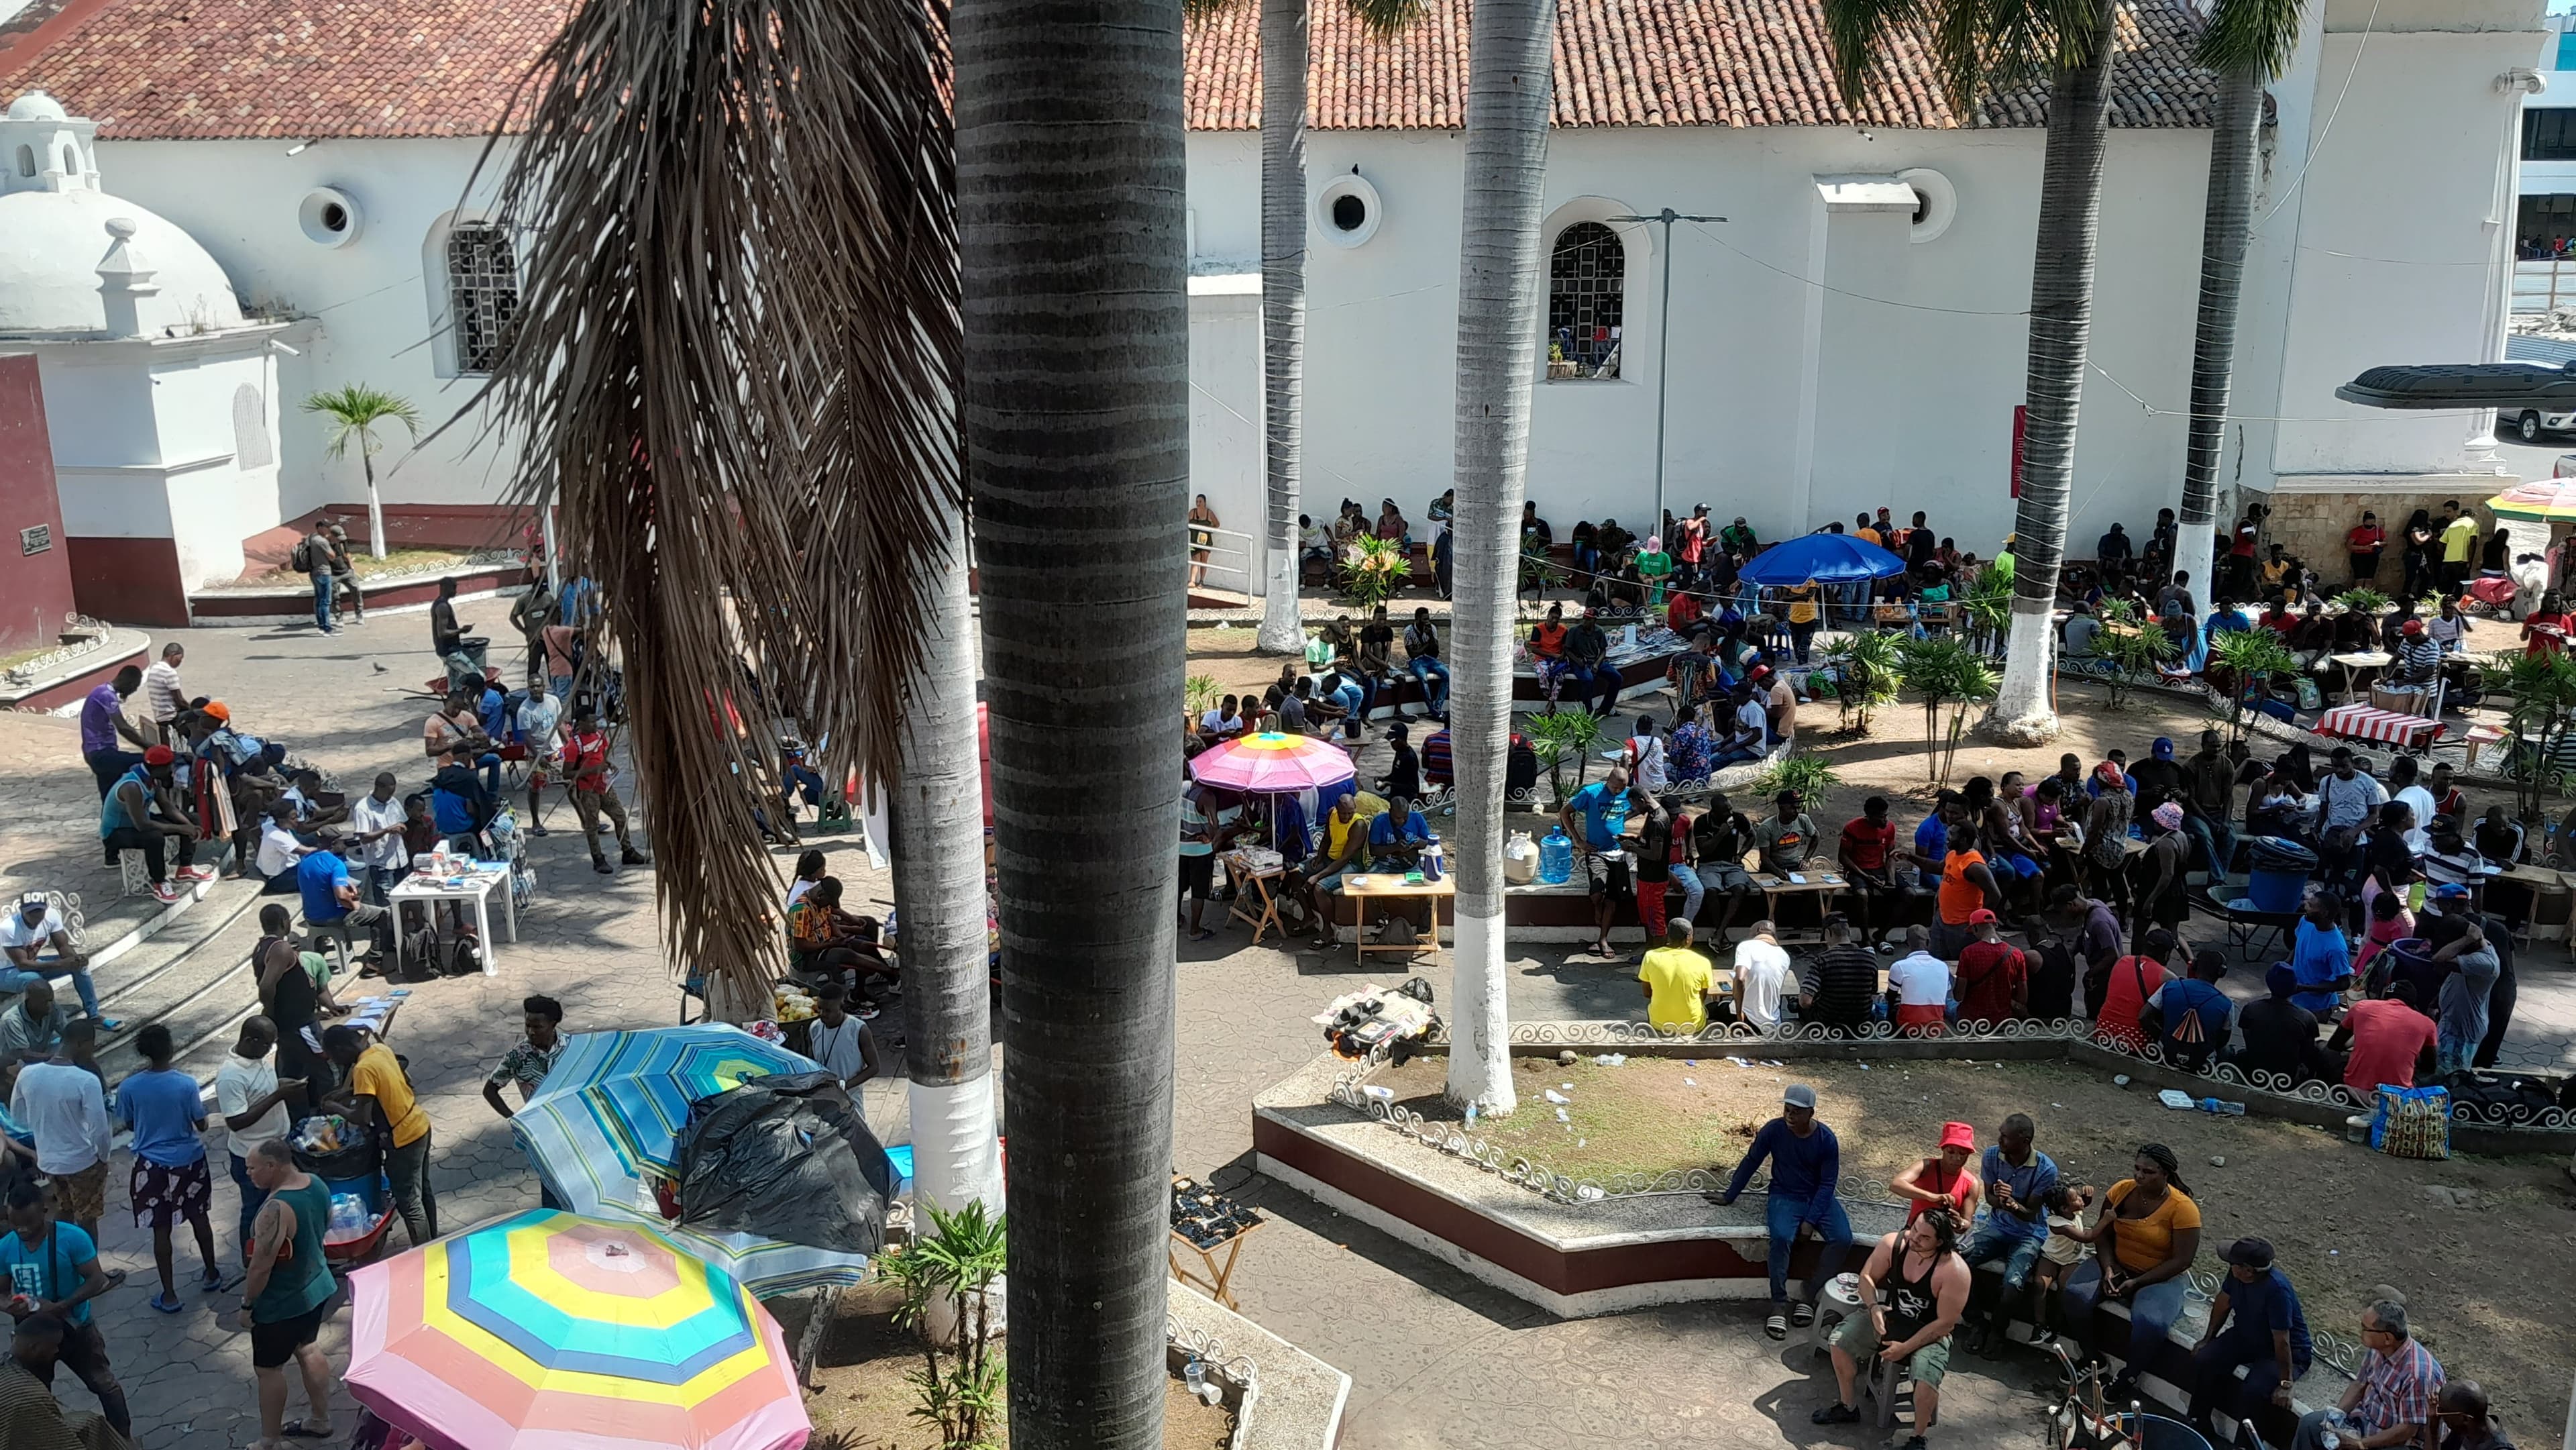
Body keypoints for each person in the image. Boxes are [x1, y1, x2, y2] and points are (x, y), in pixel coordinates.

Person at [1812, 1209, 1970, 1450]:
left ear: (1940, 1241)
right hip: (1890, 1316)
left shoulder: (1954, 1271)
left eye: (1924, 1237)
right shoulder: (1893, 1244)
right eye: (1914, 1229)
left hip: (1930, 1333)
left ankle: (1918, 1437)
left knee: (1926, 1377)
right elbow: (1866, 1277)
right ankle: (1847, 1406)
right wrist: (1874, 1307)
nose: (1914, 1238)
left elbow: (1945, 1323)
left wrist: (1905, 1348)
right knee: (1839, 1342)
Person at [2061, 1144, 2202, 1404]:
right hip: (2117, 1262)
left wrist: (2137, 1282)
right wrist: (2109, 1269)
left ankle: (2129, 1375)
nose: (2139, 1176)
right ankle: (2092, 1357)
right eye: (2137, 1169)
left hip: (2159, 1275)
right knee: (2075, 1295)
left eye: (2148, 1172)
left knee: (2150, 1323)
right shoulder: (2121, 1191)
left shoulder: (2183, 1209)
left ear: (2165, 1174)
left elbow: (2183, 1260)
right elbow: (2102, 1234)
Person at [1713, 1084, 1850, 1341]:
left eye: (1797, 1112)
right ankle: (1779, 1302)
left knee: (1842, 1239)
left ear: (1811, 1113)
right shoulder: (1774, 1130)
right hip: (1785, 1194)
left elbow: (1828, 1184)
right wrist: (1729, 1195)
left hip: (1818, 1197)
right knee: (1781, 1238)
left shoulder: (1826, 1140)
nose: (1790, 1116)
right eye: (1787, 1110)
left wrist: (1810, 1220)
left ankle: (1809, 1294)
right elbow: (1752, 1160)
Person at [0, 1180, 127, 1441]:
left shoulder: (72, 1238)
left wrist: (60, 1306)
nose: (22, 1230)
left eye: (28, 1223)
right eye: (15, 1224)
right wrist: (9, 1305)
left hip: (76, 1327)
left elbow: (97, 1280)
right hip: (33, 1336)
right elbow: (1, 1292)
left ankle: (124, 1439)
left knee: (104, 1384)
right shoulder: (5, 1247)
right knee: (36, 1397)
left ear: (45, 1211)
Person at [111, 1023, 220, 1312]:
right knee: (200, 1217)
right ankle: (211, 1273)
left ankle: (169, 1295)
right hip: (190, 1160)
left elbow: (131, 1123)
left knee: (161, 1230)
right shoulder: (185, 1084)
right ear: (170, 1048)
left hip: (151, 1165)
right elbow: (201, 1123)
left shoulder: (129, 1087)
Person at [239, 1138, 339, 1449]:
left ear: (272, 1166)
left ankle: (270, 1440)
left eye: (252, 1168)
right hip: (317, 1287)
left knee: (268, 1371)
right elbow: (328, 1222)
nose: (249, 1175)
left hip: (281, 1302)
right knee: (308, 1348)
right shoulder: (317, 1183)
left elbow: (260, 1267)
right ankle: (320, 1420)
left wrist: (247, 1304)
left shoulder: (275, 1208)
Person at [2187, 1237, 2312, 1443]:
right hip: (2248, 1335)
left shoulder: (2277, 1291)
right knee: (2205, 1360)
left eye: (2233, 1263)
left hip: (2281, 1352)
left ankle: (2245, 1446)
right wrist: (2208, 1339)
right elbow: (2223, 1302)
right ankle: (2198, 1421)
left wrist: (2286, 1384)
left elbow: (2282, 1341)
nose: (2230, 1266)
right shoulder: (2236, 1274)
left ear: (2248, 1271)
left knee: (2253, 1391)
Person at [321, 1024, 435, 1247]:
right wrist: (345, 1093)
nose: (335, 1062)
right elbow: (380, 1083)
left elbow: (361, 1116)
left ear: (341, 1049)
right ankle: (436, 1239)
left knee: (409, 1202)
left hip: (403, 1140)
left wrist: (335, 1107)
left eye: (333, 1057)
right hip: (419, 1124)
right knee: (424, 1190)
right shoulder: (379, 1051)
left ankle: (426, 1252)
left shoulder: (362, 1069)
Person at [1959, 1113, 2058, 1355]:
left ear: (2024, 1141)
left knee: (2014, 1284)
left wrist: (2013, 1203)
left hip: (2029, 1234)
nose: (1999, 1140)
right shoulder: (1993, 1156)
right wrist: (2003, 1201)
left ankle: (1997, 1331)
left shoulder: (2045, 1169)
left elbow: (2031, 1213)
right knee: (1956, 1262)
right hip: (1997, 1227)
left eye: (2006, 1137)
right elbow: (1991, 1198)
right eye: (2001, 1134)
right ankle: (1977, 1322)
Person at [2287, 1302, 2441, 1450]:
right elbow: (2359, 1384)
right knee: (2310, 1425)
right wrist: (2334, 1418)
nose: (2360, 1332)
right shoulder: (2378, 1349)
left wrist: (2362, 1444)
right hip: (2366, 1421)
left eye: (2365, 1328)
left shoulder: (2418, 1375)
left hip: (2398, 1441)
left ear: (2387, 1338)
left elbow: (2408, 1429)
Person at [11, 1022, 109, 1242]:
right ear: (82, 1044)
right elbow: (100, 1130)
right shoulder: (86, 1080)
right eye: (91, 1046)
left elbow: (18, 1117)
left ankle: (60, 1261)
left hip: (49, 1160)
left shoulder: (27, 1074)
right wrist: (102, 1157)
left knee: (64, 1209)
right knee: (87, 1218)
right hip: (82, 1161)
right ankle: (90, 1272)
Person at [217, 1017, 299, 1267]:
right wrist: (278, 1096)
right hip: (252, 1156)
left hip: (277, 1146)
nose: (269, 1049)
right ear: (250, 1041)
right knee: (254, 1210)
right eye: (267, 1044)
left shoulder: (258, 1060)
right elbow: (236, 1121)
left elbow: (261, 1094)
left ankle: (279, 1253)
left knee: (281, 1203)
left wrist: (281, 1087)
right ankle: (251, 1262)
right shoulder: (230, 1076)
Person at [0, 1311, 128, 1450]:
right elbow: (55, 1440)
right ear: (35, 1348)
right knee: (93, 1428)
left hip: (24, 1426)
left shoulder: (8, 1365)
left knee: (91, 1423)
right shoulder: (28, 1396)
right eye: (54, 1346)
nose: (56, 1350)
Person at [99, 746, 205, 904]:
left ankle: (185, 869)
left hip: (138, 823)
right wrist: (181, 829)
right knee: (154, 837)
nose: (172, 770)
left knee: (193, 818)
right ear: (159, 768)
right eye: (169, 766)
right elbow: (143, 825)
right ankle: (160, 883)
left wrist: (189, 826)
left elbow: (167, 808)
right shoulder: (132, 786)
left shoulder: (153, 780)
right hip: (116, 833)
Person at [0, 896, 109, 1034]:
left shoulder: (51, 916)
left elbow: (63, 946)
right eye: (31, 912)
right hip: (6, 971)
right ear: (22, 911)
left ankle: (94, 1015)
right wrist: (59, 964)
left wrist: (75, 960)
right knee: (36, 983)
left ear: (46, 909)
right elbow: (22, 964)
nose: (36, 916)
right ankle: (61, 1029)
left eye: (39, 911)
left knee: (80, 968)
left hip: (32, 963)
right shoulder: (9, 928)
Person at [1561, 767, 1635, 961]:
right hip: (1596, 851)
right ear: (1608, 781)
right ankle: (1597, 906)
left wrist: (1622, 820)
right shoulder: (1591, 793)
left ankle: (1603, 939)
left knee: (1613, 898)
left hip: (1618, 852)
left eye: (1622, 788)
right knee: (1597, 892)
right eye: (1615, 787)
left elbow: (1641, 807)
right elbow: (1565, 812)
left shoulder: (1628, 794)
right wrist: (1578, 841)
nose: (1618, 791)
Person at [564, 709, 649, 876]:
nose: (595, 725)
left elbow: (601, 755)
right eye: (591, 722)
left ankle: (628, 851)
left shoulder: (599, 736)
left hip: (605, 785)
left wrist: (607, 764)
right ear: (580, 724)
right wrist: (593, 770)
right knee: (592, 824)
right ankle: (598, 858)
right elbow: (566, 773)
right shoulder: (574, 746)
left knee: (620, 816)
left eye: (596, 721)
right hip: (588, 790)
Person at [2334, 980, 2438, 1097]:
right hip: (2397, 1097)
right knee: (2439, 1073)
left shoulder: (2361, 1007)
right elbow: (2430, 1067)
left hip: (2354, 1090)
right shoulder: (2427, 1023)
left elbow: (2334, 1045)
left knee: (2325, 1049)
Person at [297, 840, 392, 964]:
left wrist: (347, 883)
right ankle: (376, 960)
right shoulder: (336, 863)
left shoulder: (305, 861)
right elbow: (341, 896)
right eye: (342, 842)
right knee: (382, 914)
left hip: (310, 916)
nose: (345, 845)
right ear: (335, 844)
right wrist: (354, 906)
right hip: (332, 916)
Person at [2233, 964, 2326, 1084]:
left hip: (2254, 1071)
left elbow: (2249, 1040)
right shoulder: (2307, 1018)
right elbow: (2308, 1053)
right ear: (2295, 987)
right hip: (2288, 1077)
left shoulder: (2251, 1009)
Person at [480, 996, 566, 1121]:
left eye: (537, 1027)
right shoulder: (517, 1056)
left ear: (552, 1024)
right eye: (528, 1025)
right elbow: (489, 1091)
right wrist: (514, 1119)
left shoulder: (570, 1046)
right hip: (542, 1123)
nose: (531, 1032)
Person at [77, 666, 152, 800]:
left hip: (96, 752)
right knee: (149, 762)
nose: (133, 691)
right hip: (101, 753)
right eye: (134, 687)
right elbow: (123, 727)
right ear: (129, 683)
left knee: (110, 798)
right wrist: (149, 746)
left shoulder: (101, 691)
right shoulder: (107, 695)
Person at [2096, 929, 2178, 1051]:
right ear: (2166, 954)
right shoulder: (2169, 978)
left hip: (2103, 1030)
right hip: (2135, 1039)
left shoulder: (2122, 961)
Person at [2154, 949, 2234, 1072]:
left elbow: (2145, 1016)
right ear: (2221, 972)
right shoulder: (2227, 1004)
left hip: (2164, 1056)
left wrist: (2163, 1034)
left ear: (2194, 966)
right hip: (2204, 1065)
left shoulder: (2170, 987)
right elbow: (2222, 1041)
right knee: (2228, 1050)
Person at [1690, 793, 1756, 941]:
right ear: (1715, 812)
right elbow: (1704, 851)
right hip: (1708, 865)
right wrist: (1720, 834)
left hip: (1732, 865)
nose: (1730, 813)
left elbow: (1752, 836)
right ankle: (1720, 931)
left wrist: (1741, 855)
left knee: (1740, 889)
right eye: (1726, 811)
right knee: (1711, 891)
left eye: (1730, 809)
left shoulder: (1738, 819)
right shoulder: (1701, 822)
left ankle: (1720, 932)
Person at [1890, 1122, 1982, 1229]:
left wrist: (1959, 1222)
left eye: (1963, 1154)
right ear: (1943, 1149)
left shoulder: (1971, 1183)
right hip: (1914, 1232)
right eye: (1951, 1152)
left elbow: (1966, 1223)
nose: (1957, 1158)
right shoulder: (1926, 1166)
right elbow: (1896, 1184)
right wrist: (1931, 1197)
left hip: (1941, 1239)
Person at [1637, 919, 1719, 1034]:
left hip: (1660, 1024)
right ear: (1689, 938)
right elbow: (1702, 997)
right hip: (1692, 1025)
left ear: (1668, 935)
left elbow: (1647, 993)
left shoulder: (1650, 957)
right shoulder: (1703, 962)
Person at [1836, 798, 1900, 933]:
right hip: (1857, 871)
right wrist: (1866, 877)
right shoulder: (1852, 828)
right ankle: (1865, 938)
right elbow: (1843, 857)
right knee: (1862, 895)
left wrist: (1891, 879)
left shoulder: (1890, 828)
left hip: (1879, 869)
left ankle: (1882, 934)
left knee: (1909, 893)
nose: (1885, 821)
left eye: (1886, 816)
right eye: (1881, 817)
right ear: (1870, 816)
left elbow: (1891, 855)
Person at [805, 982, 882, 1091]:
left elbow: (874, 1067)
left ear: (842, 1006)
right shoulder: (814, 1028)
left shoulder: (859, 1030)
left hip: (850, 1099)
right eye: (820, 1008)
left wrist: (844, 1086)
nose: (822, 1014)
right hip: (821, 1098)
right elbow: (811, 1062)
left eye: (828, 1010)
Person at [1954, 912, 2027, 1027]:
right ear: (1996, 925)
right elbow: (2023, 997)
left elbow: (1959, 996)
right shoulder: (2016, 954)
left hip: (1971, 1021)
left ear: (1975, 927)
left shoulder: (1968, 953)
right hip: (2003, 1021)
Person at [1729, 921, 1796, 1031]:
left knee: (1713, 1008)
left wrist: (1739, 1015)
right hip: (1772, 1024)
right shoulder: (1784, 956)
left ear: (1758, 930)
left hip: (1747, 1021)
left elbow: (1740, 979)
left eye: (1750, 932)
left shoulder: (1746, 946)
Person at [1886, 926, 1952, 1035]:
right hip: (1935, 1027)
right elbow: (1946, 994)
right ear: (1928, 942)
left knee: (1891, 1007)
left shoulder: (1899, 966)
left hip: (1907, 1026)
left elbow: (1890, 997)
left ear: (1908, 943)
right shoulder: (1943, 967)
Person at [430, 575, 484, 692]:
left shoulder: (440, 604)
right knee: (479, 678)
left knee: (454, 684)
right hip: (451, 652)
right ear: (445, 588)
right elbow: (442, 633)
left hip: (445, 650)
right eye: (453, 588)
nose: (455, 591)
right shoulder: (442, 606)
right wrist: (461, 631)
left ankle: (455, 703)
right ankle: (476, 704)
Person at [1402, 608, 1450, 719]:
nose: (1427, 622)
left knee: (1447, 675)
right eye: (1424, 619)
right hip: (1416, 661)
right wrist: (1426, 646)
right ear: (1417, 619)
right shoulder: (1408, 631)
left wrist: (1431, 637)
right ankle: (1432, 710)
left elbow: (1435, 653)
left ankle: (1437, 707)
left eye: (1428, 619)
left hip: (1430, 659)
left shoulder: (1432, 628)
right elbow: (1412, 654)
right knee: (1423, 679)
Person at [2433, 1382, 2510, 1450]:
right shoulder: (2464, 1432)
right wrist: (2432, 1426)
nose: (2439, 1415)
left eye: (2442, 1411)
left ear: (2465, 1419)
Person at [140, 642, 185, 743]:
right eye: (180, 658)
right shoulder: (169, 672)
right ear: (173, 655)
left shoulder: (154, 669)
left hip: (159, 715)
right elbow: (179, 701)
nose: (180, 662)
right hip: (171, 717)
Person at [2438, 503, 2477, 590]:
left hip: (2447, 561)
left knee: (2447, 587)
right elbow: (2472, 543)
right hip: (2461, 561)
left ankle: (2444, 603)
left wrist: (2444, 555)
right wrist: (2470, 562)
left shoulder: (2452, 525)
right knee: (2461, 587)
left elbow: (2441, 542)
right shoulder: (2473, 524)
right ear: (2472, 515)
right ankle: (2457, 604)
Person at [2346, 511, 2385, 585]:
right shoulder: (2357, 531)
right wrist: (2364, 548)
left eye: (2372, 524)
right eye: (2368, 524)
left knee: (2369, 580)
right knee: (2360, 580)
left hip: (2372, 556)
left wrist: (2378, 544)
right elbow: (2349, 545)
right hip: (2359, 557)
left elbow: (2385, 542)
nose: (2370, 526)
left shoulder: (2378, 530)